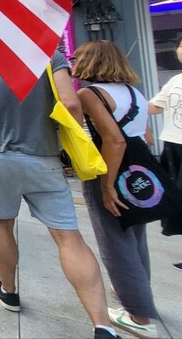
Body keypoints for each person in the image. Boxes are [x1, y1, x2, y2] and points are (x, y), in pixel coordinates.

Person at [0, 51, 117, 339]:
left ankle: (8, 290)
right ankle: (102, 324)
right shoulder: (50, 58)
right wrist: (72, 147)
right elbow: (71, 103)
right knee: (68, 236)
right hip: (44, 157)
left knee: (1, 223)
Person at [72, 40, 161, 339]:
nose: (73, 62)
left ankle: (139, 317)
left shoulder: (90, 94)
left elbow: (115, 140)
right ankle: (139, 297)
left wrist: (107, 185)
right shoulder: (135, 93)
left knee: (114, 244)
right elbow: (147, 137)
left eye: (77, 58)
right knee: (135, 238)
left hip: (109, 170)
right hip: (139, 173)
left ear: (91, 61)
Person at [148, 36, 182, 239]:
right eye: (181, 45)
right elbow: (155, 106)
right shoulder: (175, 81)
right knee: (175, 199)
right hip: (173, 148)